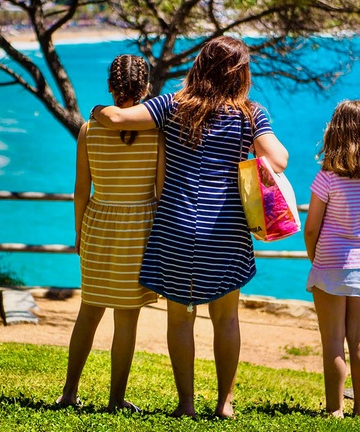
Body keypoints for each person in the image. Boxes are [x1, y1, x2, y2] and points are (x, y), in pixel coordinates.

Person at [92, 36, 288, 419]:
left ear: (199, 66)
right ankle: (224, 404)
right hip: (226, 228)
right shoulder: (250, 113)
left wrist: (99, 107)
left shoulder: (172, 105)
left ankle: (186, 404)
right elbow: (278, 159)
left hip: (175, 224)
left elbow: (115, 118)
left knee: (181, 317)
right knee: (226, 318)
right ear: (240, 72)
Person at [56, 54, 164, 412]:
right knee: (127, 318)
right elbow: (160, 191)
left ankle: (69, 391)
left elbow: (81, 189)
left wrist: (79, 232)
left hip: (98, 223)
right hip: (140, 229)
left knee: (89, 310)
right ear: (146, 87)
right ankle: (116, 399)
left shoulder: (89, 129)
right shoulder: (157, 132)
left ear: (110, 87)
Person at [303, 100, 360, 418]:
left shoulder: (327, 177)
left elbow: (311, 227)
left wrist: (315, 259)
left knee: (333, 341)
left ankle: (334, 409)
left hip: (331, 264)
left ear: (336, 133)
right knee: (359, 339)